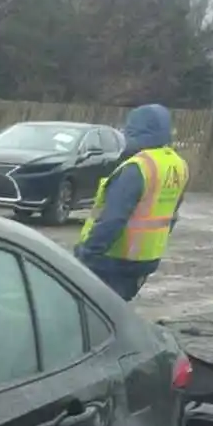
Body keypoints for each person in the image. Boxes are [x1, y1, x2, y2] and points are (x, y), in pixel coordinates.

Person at [74, 104, 188, 301]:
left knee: (96, 314)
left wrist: (86, 255)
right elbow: (172, 214)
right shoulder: (177, 165)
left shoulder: (138, 167)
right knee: (117, 311)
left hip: (114, 258)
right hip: (146, 258)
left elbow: (113, 219)